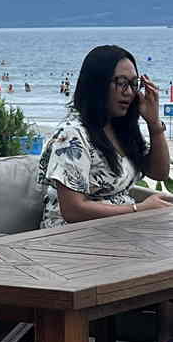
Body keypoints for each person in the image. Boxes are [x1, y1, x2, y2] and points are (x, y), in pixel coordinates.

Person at [38, 44, 171, 230]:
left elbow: (159, 173)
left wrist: (154, 123)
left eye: (134, 84)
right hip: (70, 235)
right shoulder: (73, 136)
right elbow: (73, 210)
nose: (129, 92)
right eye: (121, 83)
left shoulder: (122, 130)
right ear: (97, 85)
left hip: (117, 226)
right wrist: (138, 209)